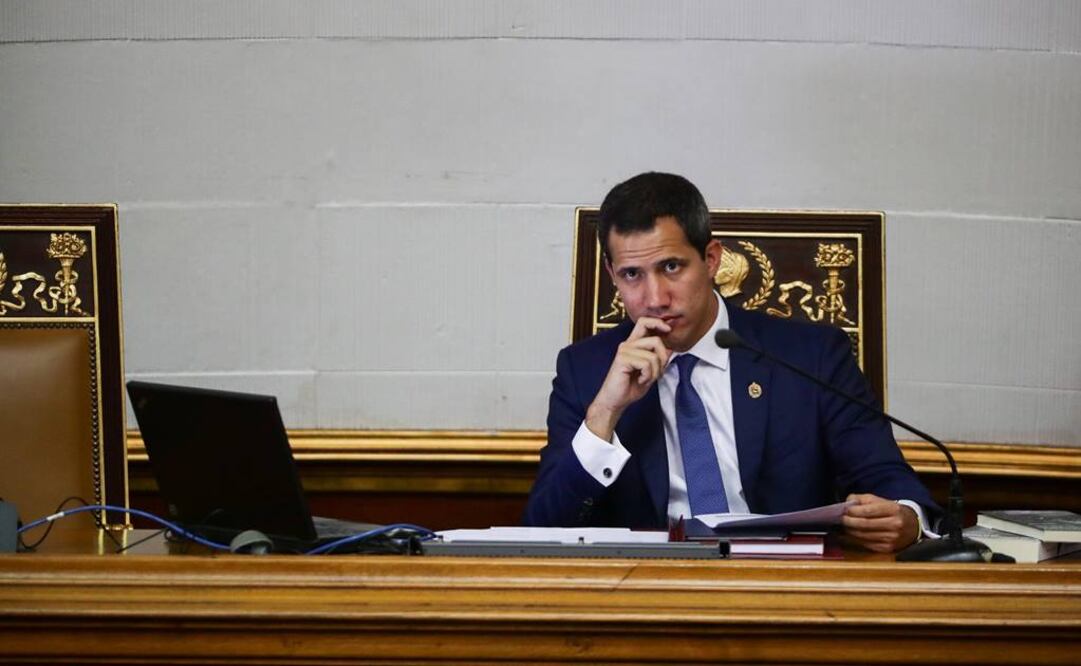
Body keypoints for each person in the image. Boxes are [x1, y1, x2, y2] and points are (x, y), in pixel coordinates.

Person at [523, 172, 938, 553]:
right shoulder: (585, 371)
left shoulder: (810, 356)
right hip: (645, 596)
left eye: (671, 267)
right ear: (612, 275)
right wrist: (605, 412)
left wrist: (908, 518)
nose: (655, 298)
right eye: (632, 274)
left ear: (711, 259)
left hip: (789, 591)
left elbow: (888, 479)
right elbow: (542, 530)